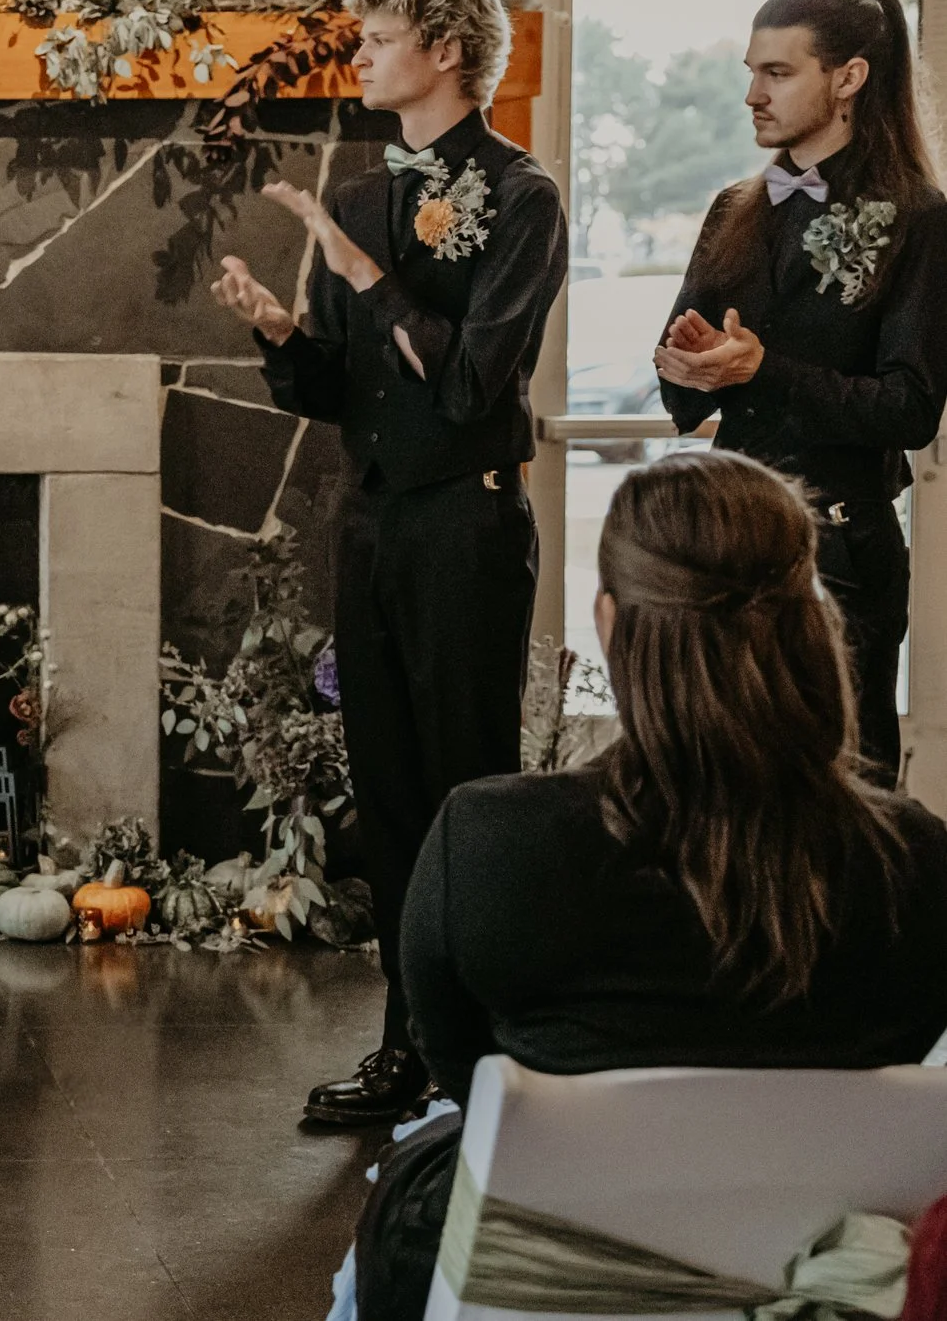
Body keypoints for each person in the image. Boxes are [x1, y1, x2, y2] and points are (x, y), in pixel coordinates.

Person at [345, 449, 947, 1321]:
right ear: (811, 622)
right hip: (822, 1274)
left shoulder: (490, 843)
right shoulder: (919, 866)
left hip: (546, 1271)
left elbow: (463, 1063)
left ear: (610, 621)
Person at [210, 0, 568, 1125]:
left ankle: (482, 1053)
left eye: (377, 37)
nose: (356, 53)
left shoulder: (522, 198)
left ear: (448, 51)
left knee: (466, 784)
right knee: (390, 792)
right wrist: (280, 336)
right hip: (370, 523)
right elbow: (334, 388)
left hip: (467, 517)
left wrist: (362, 272)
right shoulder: (361, 195)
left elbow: (471, 385)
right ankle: (405, 1042)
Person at [653, 0, 946, 787]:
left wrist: (761, 369)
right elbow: (686, 389)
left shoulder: (919, 217)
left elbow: (911, 407)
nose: (752, 94)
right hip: (728, 547)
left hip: (844, 550)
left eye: (777, 72)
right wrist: (686, 367)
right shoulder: (731, 207)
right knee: (727, 787)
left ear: (848, 77)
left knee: (847, 797)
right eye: (751, 71)